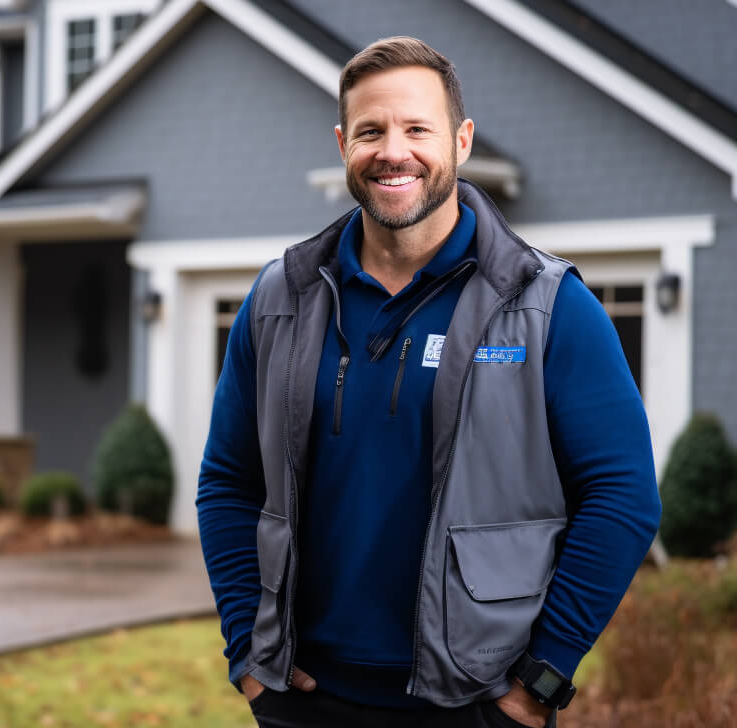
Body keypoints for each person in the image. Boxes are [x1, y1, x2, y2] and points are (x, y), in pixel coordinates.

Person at [196, 36, 660, 728]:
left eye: (418, 128)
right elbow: (227, 482)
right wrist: (247, 655)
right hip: (305, 700)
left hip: (475, 703)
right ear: (342, 143)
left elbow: (623, 497)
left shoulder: (546, 304)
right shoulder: (280, 299)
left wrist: (541, 681)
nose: (394, 150)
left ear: (461, 140)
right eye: (370, 130)